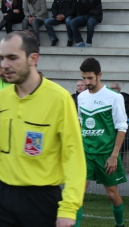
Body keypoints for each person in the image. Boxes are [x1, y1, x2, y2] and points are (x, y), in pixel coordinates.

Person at [0, 31, 86, 227]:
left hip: (41, 201)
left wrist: (69, 208)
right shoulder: (2, 98)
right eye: (2, 58)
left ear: (33, 58)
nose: (5, 65)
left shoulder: (59, 99)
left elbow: (74, 156)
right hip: (3, 196)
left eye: (12, 58)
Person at [77, 58, 127, 227]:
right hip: (86, 153)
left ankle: (120, 224)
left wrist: (114, 156)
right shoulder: (81, 97)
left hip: (106, 154)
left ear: (99, 75)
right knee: (78, 193)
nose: (87, 82)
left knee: (112, 194)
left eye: (90, 78)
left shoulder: (114, 97)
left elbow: (121, 127)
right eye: (84, 78)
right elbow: (80, 122)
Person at [110, 82, 129, 160]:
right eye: (111, 89)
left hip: (123, 128)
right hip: (110, 127)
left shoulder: (127, 100)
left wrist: (127, 122)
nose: (113, 90)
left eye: (115, 88)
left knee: (121, 148)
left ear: (119, 89)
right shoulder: (107, 99)